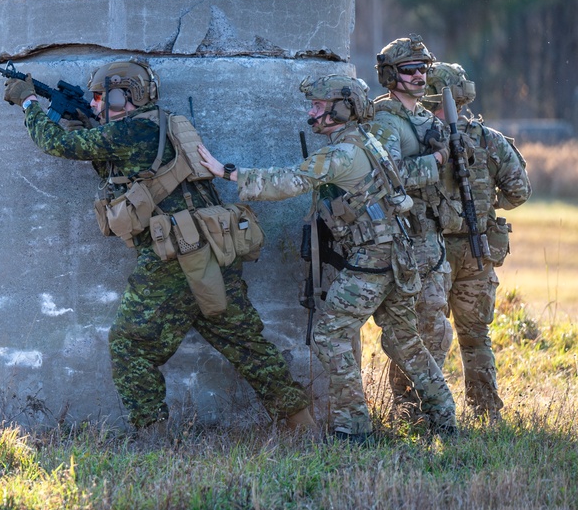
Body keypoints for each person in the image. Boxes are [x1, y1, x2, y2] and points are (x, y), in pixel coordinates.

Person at [2, 58, 314, 433]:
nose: (96, 105)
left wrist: (28, 102)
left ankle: (152, 435)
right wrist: (88, 120)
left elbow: (58, 143)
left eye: (102, 97)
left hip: (174, 259)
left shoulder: (131, 132)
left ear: (124, 97)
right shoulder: (164, 123)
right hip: (211, 247)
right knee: (245, 342)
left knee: (130, 345)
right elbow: (126, 167)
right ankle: (303, 425)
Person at [197, 74, 457, 442]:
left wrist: (225, 172)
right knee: (404, 339)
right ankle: (445, 417)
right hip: (397, 254)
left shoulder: (341, 154)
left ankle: (353, 429)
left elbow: (286, 182)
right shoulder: (368, 141)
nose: (311, 113)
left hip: (374, 258)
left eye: (318, 106)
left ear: (342, 108)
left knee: (330, 334)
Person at [423, 62, 532, 421]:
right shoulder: (490, 139)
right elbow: (519, 190)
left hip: (431, 250)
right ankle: (486, 412)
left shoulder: (418, 138)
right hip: (476, 247)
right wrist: (486, 205)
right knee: (474, 337)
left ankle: (413, 411)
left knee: (426, 336)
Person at [368, 34, 457, 419]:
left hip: (431, 238)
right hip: (402, 237)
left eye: (423, 69)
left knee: (435, 329)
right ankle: (407, 410)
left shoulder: (423, 117)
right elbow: (385, 176)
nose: (420, 76)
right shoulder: (386, 119)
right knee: (409, 333)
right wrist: (435, 163)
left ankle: (418, 409)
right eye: (409, 70)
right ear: (391, 75)